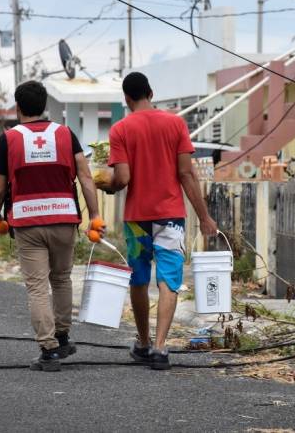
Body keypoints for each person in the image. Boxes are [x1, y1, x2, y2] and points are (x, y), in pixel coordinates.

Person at [104, 72, 218, 370]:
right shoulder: (176, 123)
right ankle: (160, 348)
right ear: (151, 93)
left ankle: (142, 343)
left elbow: (123, 178)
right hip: (171, 217)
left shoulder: (120, 129)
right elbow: (186, 173)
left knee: (139, 280)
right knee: (169, 280)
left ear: (126, 99)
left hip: (137, 219)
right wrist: (204, 216)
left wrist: (109, 184)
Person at [0, 80, 102, 372]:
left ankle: (48, 350)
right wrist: (95, 216)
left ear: (18, 108)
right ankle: (62, 337)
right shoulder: (65, 134)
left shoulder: (9, 139)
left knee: (37, 287)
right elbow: (86, 178)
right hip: (64, 218)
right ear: (45, 106)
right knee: (61, 278)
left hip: (27, 222)